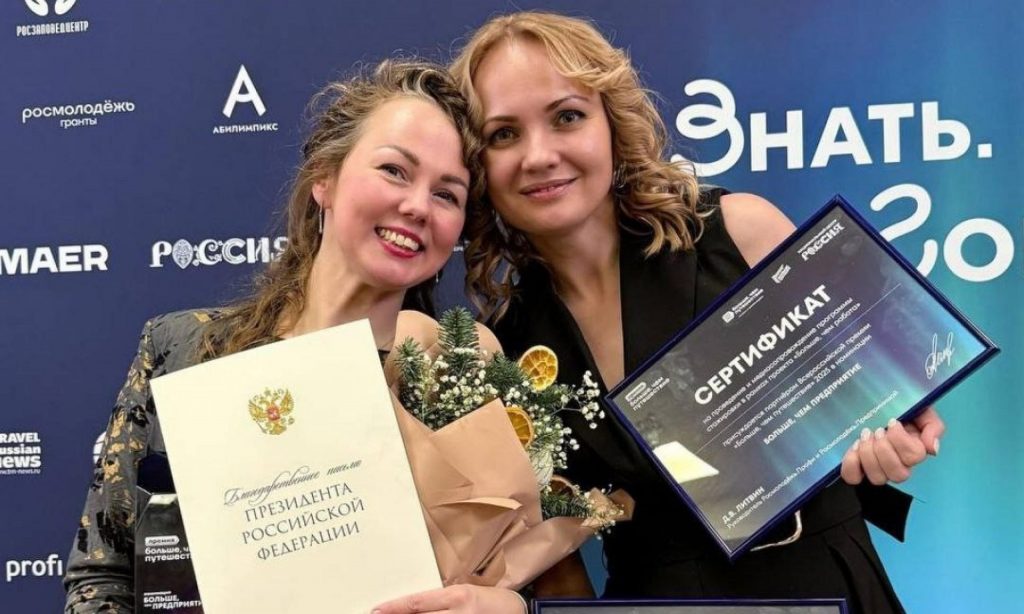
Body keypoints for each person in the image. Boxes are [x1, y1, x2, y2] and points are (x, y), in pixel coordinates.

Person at [450, 12, 945, 613]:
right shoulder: (505, 352)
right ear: (476, 164)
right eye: (503, 134)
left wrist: (895, 428)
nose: (539, 155)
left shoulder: (739, 232)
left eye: (567, 117)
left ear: (611, 124)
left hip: (825, 582)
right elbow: (553, 563)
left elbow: (879, 393)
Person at [63, 59, 526, 614]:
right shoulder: (181, 349)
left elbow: (520, 571)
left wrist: (505, 607)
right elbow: (103, 577)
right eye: (394, 170)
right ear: (323, 180)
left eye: (447, 195)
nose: (416, 206)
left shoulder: (461, 380)